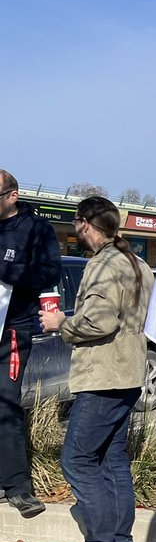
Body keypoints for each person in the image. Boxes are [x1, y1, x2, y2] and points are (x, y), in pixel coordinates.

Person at [40, 197, 155, 542]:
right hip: (128, 373)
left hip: (103, 375)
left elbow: (98, 322)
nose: (76, 230)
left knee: (78, 460)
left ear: (87, 224)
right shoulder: (137, 262)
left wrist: (61, 323)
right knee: (111, 459)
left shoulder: (104, 265)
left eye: (76, 224)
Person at [0, 169, 62, 519]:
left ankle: (18, 488)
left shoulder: (36, 230)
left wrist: (7, 272)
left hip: (12, 328)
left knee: (6, 403)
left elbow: (48, 273)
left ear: (13, 196)